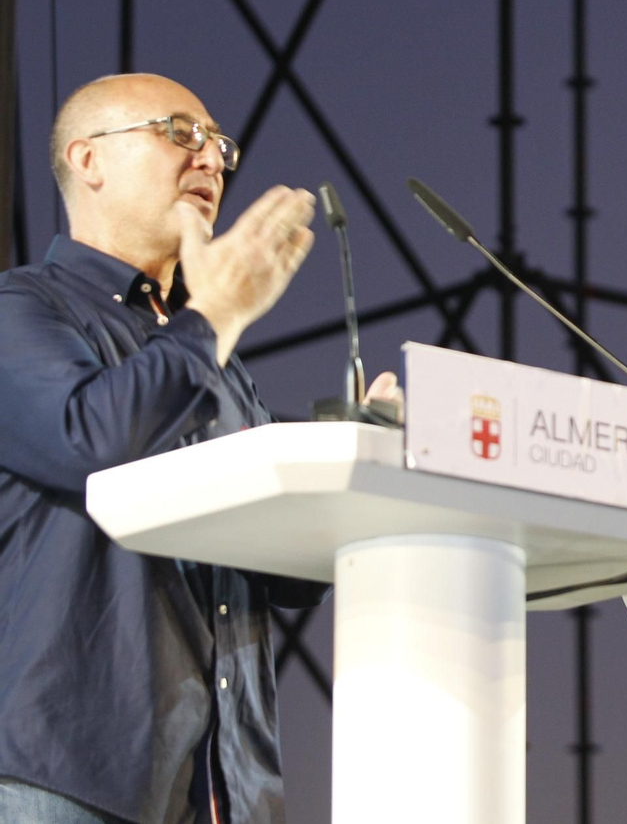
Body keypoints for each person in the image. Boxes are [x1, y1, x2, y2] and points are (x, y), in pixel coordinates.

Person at [0, 73, 399, 824]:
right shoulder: (22, 310)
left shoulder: (210, 356)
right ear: (89, 159)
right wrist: (215, 313)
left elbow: (277, 573)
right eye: (180, 133)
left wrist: (358, 470)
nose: (211, 158)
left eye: (219, 143)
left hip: (218, 787)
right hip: (66, 776)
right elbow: (91, 440)